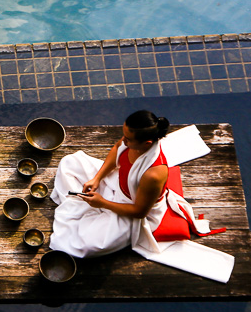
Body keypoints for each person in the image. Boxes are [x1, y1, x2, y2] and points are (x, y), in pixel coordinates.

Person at [49, 110, 234, 282]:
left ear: (146, 143)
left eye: (128, 139)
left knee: (87, 245)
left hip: (131, 208)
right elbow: (116, 149)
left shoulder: (154, 174)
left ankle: (86, 210)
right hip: (117, 183)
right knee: (69, 163)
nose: (124, 141)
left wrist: (103, 203)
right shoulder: (129, 141)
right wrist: (97, 179)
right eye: (124, 135)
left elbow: (139, 212)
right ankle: (85, 207)